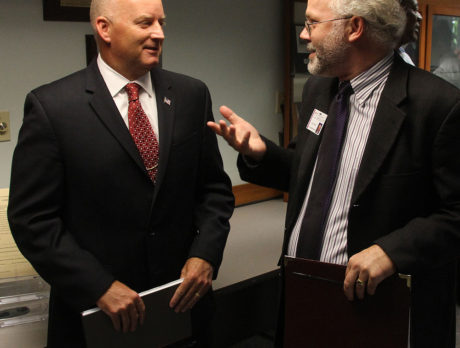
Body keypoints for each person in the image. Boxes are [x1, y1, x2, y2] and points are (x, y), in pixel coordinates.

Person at [208, 0, 460, 346]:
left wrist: (391, 251)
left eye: (312, 23)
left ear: (354, 28)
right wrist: (262, 153)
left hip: (378, 308)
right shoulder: (319, 90)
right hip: (302, 290)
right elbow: (312, 176)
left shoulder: (437, 105)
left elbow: (456, 213)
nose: (304, 34)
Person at [7, 0, 234, 347]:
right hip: (97, 320)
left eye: (161, 23)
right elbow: (32, 220)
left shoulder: (190, 95)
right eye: (145, 23)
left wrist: (206, 254)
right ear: (104, 28)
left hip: (183, 311)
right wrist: (97, 286)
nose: (159, 34)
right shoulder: (53, 108)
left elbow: (214, 190)